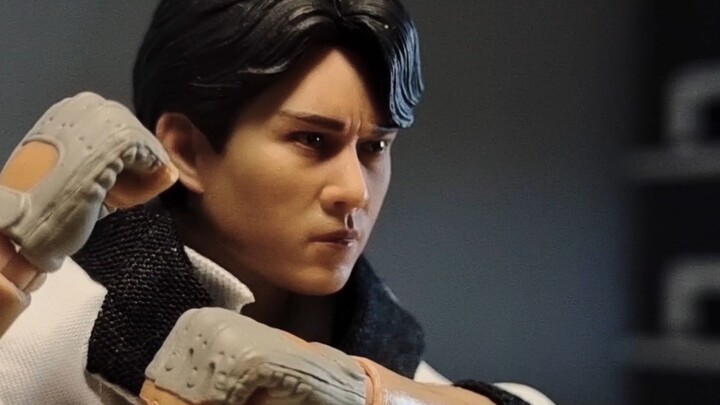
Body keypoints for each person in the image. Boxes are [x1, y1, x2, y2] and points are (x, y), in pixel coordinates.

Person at [0, 1, 554, 404]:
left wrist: (365, 394)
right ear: (187, 149)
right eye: (311, 140)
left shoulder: (388, 362)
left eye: (375, 147)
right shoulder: (39, 337)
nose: (355, 191)